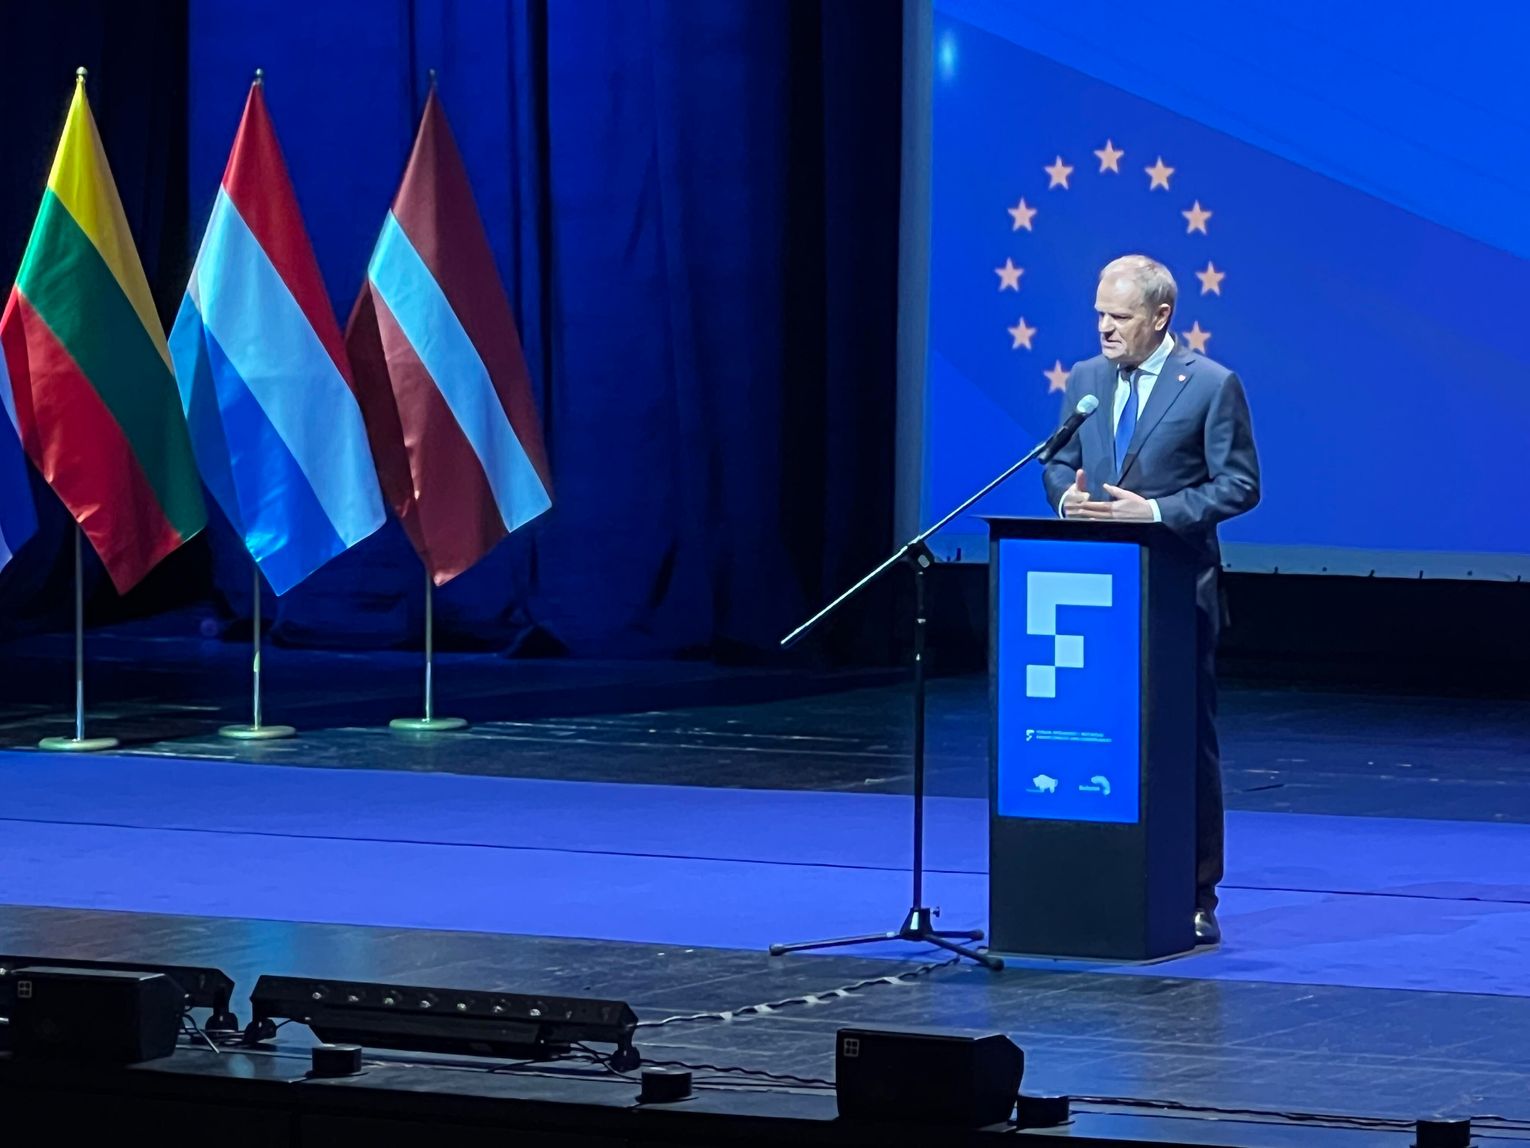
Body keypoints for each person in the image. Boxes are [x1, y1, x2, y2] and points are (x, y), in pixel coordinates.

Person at [1042, 254, 1260, 945]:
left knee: (1183, 746)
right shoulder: (1085, 379)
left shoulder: (1211, 385)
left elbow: (1239, 485)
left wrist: (1158, 512)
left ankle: (1196, 894)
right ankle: (1099, 880)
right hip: (1093, 594)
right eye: (1099, 315)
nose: (1105, 328)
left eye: (1120, 317)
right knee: (1098, 737)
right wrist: (1066, 499)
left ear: (1161, 316)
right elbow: (1056, 461)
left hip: (1175, 593)